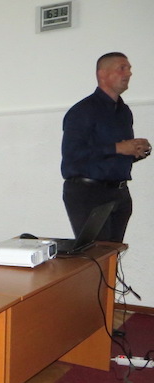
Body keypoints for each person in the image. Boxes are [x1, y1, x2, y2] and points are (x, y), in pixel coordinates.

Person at [61, 52, 151, 243]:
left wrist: (135, 151)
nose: (129, 73)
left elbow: (114, 153)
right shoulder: (82, 111)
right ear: (102, 74)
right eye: (122, 68)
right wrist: (118, 148)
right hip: (88, 194)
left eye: (129, 69)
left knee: (112, 254)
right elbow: (72, 154)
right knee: (96, 254)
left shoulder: (124, 111)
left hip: (119, 193)